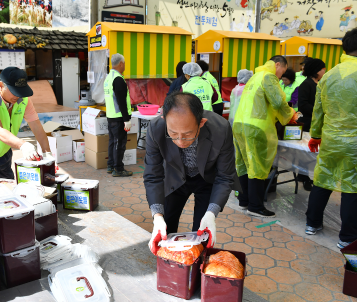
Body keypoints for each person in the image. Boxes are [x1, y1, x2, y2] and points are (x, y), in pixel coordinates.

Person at [144, 92, 236, 254]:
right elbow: (153, 175)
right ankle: (169, 267)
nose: (180, 141)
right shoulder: (155, 128)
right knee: (166, 228)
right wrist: (157, 216)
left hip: (206, 179)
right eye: (173, 134)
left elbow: (225, 176)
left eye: (187, 135)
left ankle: (196, 269)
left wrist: (211, 214)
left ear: (201, 123)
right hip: (173, 177)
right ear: (164, 120)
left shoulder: (220, 129)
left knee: (202, 233)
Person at [305, 28, 357, 249]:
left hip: (330, 139)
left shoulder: (329, 75)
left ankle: (312, 224)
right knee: (352, 186)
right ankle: (347, 237)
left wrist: (315, 135)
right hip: (354, 141)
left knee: (323, 180)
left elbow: (318, 110)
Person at [233, 56, 297, 218]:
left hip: (240, 123)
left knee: (244, 162)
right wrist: (291, 115)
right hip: (256, 126)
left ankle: (244, 200)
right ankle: (255, 206)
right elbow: (278, 102)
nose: (282, 75)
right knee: (257, 165)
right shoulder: (269, 77)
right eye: (283, 70)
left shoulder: (255, 76)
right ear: (277, 65)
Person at [103, 53, 133, 177]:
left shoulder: (109, 77)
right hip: (119, 117)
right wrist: (126, 119)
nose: (124, 65)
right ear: (121, 63)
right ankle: (118, 169)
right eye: (124, 63)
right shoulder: (118, 79)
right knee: (119, 143)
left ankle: (111, 165)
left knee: (112, 141)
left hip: (111, 115)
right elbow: (121, 101)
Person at [298, 58, 326, 132]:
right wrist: (319, 111)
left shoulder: (320, 84)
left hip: (317, 121)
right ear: (317, 70)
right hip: (307, 123)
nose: (325, 71)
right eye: (324, 69)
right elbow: (303, 104)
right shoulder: (306, 84)